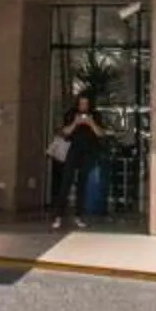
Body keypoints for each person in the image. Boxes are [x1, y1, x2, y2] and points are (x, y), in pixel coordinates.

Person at [57, 93, 106, 224]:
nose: (83, 106)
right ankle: (58, 215)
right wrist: (75, 122)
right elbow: (65, 132)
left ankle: (78, 214)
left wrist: (91, 123)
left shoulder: (95, 115)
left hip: (88, 151)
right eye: (81, 103)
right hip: (73, 150)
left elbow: (101, 133)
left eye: (86, 103)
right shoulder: (71, 114)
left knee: (82, 183)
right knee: (66, 181)